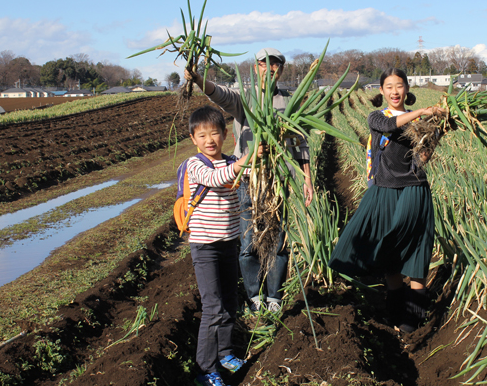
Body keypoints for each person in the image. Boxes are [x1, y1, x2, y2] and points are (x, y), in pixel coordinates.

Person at [185, 48, 313, 314]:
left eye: (275, 64)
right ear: (256, 69)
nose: (269, 68)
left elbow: (302, 144)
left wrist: (306, 179)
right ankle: (255, 296)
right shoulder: (244, 100)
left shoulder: (290, 102)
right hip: (248, 180)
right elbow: (218, 92)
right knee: (248, 243)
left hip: (278, 181)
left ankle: (274, 296)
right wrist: (197, 79)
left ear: (281, 69)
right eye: (263, 64)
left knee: (278, 242)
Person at [328, 68, 445, 333]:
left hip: (415, 190)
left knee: (416, 254)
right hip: (384, 190)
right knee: (388, 251)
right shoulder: (377, 117)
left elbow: (421, 160)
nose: (395, 91)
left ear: (407, 89)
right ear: (381, 91)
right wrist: (421, 113)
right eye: (389, 86)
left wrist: (436, 130)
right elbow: (389, 126)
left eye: (400, 85)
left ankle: (413, 324)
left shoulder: (421, 124)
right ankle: (393, 314)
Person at [184, 105, 264, 386]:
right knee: (213, 307)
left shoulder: (232, 160)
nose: (209, 140)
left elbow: (249, 171)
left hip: (229, 242)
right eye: (202, 135)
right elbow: (218, 178)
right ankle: (206, 369)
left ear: (225, 135)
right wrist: (246, 160)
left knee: (230, 301)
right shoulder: (196, 165)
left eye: (214, 133)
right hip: (204, 247)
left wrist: (262, 156)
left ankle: (227, 353)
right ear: (193, 139)